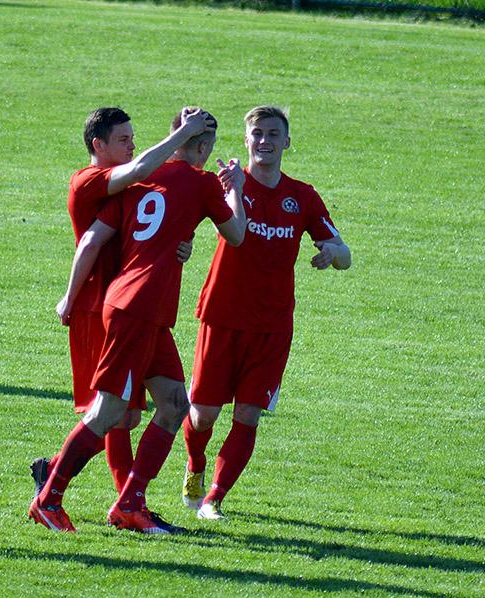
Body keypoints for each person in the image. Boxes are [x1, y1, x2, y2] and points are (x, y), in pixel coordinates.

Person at [30, 109, 247, 533]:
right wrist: (235, 188)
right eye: (124, 138)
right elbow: (236, 235)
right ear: (203, 147)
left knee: (173, 404)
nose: (131, 145)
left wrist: (175, 246)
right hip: (134, 308)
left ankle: (130, 503)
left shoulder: (138, 182)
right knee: (110, 411)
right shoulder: (198, 182)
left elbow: (95, 238)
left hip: (137, 307)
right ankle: (49, 497)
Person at [180, 105, 351, 520]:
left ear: (287, 142)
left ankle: (213, 500)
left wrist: (332, 252)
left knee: (248, 414)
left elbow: (346, 253)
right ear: (246, 140)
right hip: (221, 315)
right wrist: (179, 245)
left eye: (273, 134)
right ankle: (196, 466)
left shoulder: (302, 197)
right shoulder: (228, 184)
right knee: (202, 415)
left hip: (272, 326)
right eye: (257, 133)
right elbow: (183, 214)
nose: (265, 141)